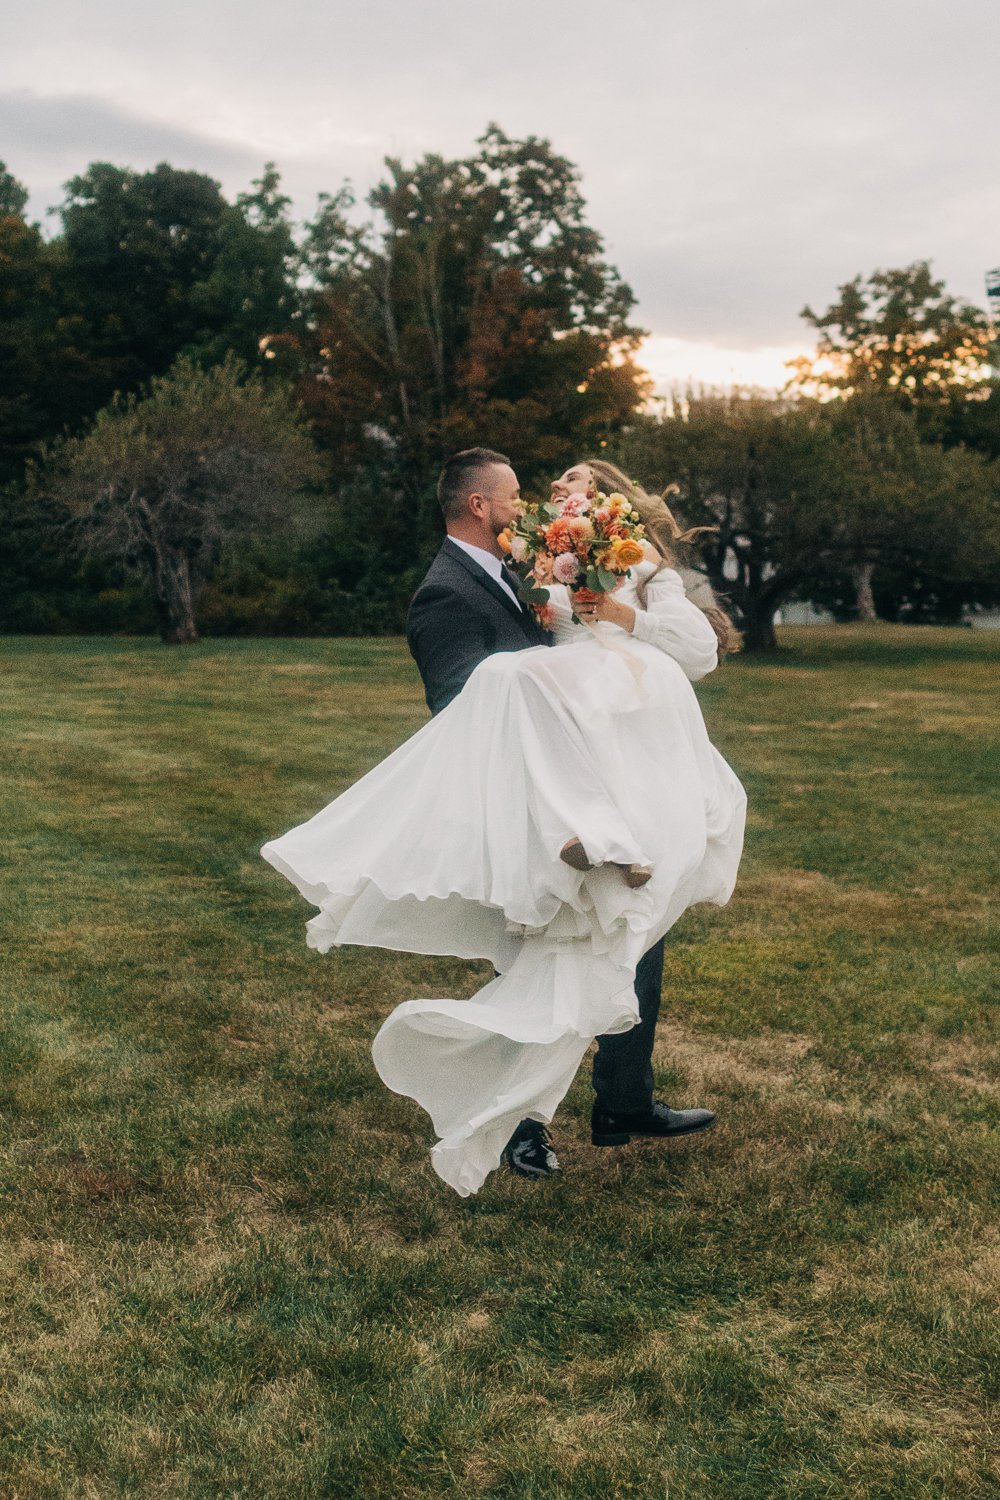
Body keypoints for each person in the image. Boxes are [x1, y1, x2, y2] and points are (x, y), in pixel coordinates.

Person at [261, 450, 746, 1197]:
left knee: (632, 923)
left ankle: (623, 1100)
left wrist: (600, 609)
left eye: (557, 492)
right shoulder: (448, 591)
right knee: (553, 946)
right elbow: (462, 702)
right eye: (526, 495)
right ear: (482, 507)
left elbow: (672, 647)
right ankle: (522, 1123)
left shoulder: (553, 568)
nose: (539, 503)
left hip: (614, 762)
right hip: (534, 798)